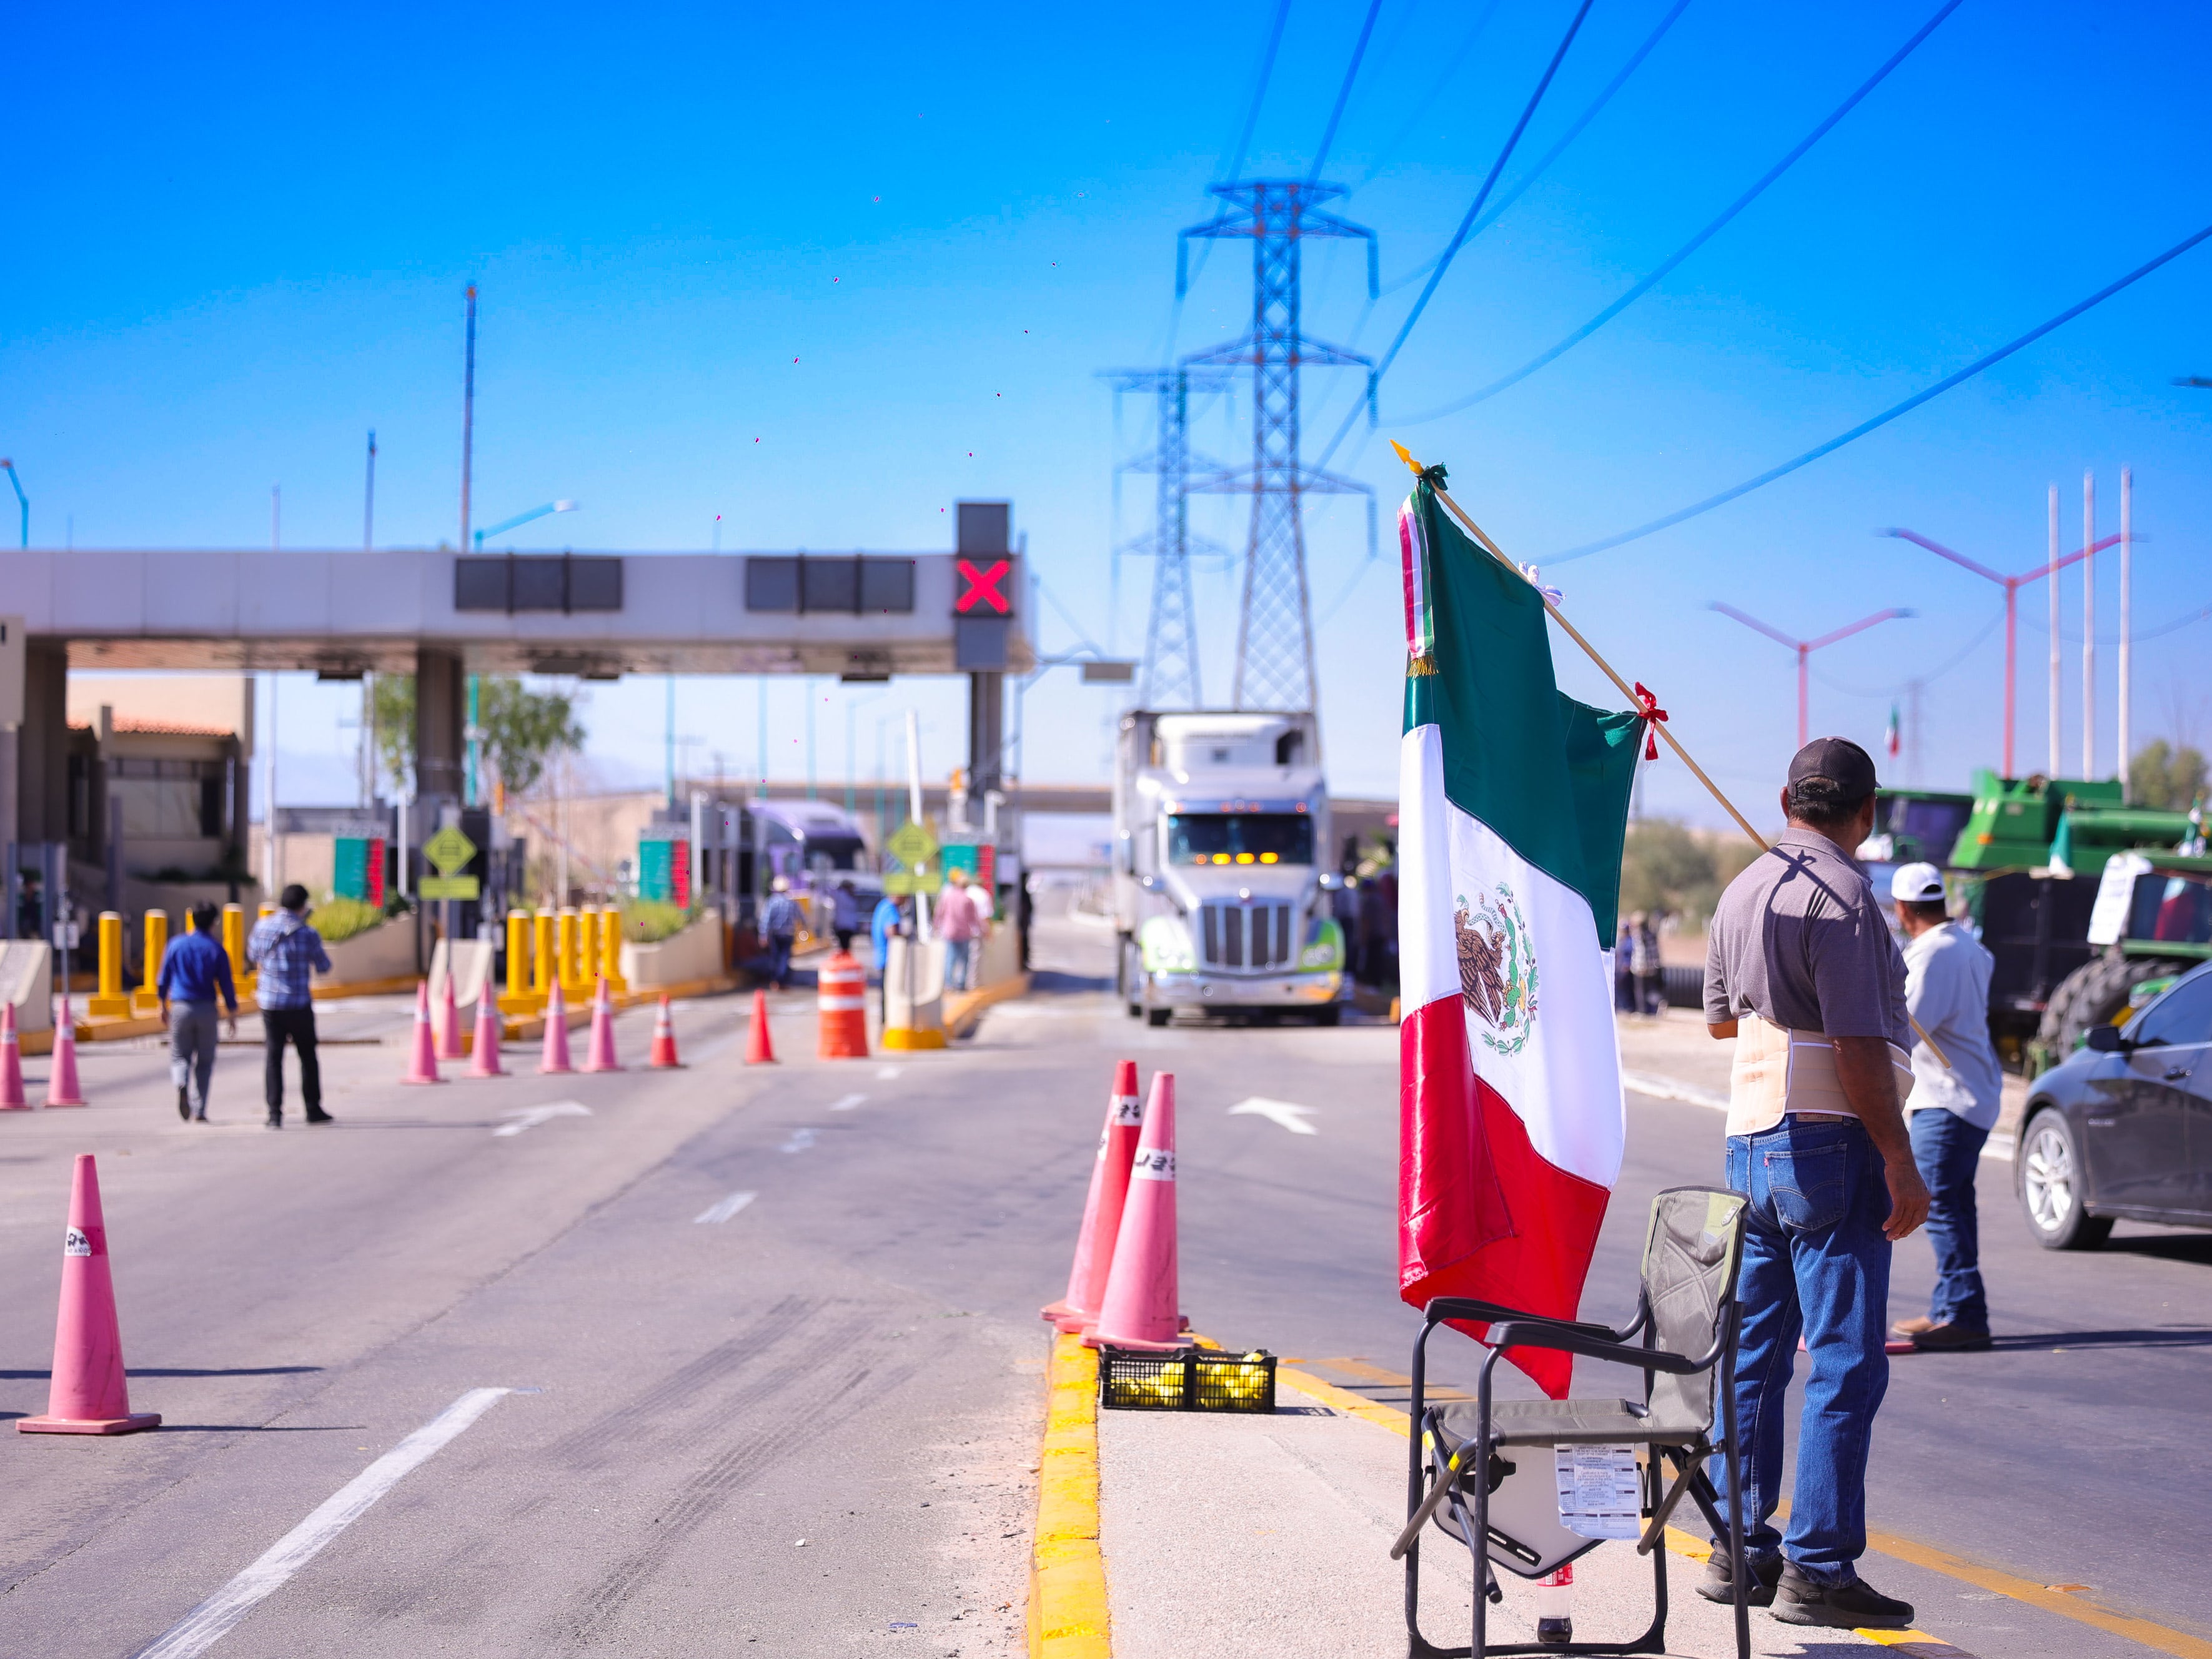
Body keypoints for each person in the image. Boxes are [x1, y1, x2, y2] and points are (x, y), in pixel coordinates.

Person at [1700, 736, 1929, 1629]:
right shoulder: (1846, 901)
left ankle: (1737, 1548)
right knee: (1843, 1360)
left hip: (1748, 1144)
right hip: (1828, 1141)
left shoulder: (1739, 889)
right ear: (1865, 813)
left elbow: (1721, 1022)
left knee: (1753, 1355)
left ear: (1786, 799)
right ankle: (1819, 1566)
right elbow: (1857, 1046)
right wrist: (1898, 1157)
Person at [1887, 861, 2001, 1352]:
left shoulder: (1933, 955)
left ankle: (1963, 1313)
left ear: (1902, 908)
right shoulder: (1969, 946)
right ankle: (1950, 1306)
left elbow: (1903, 1026)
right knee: (1953, 1205)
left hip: (1948, 1100)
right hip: (1972, 1092)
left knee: (1936, 1205)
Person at [246, 883, 335, 1128]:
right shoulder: (308, 933)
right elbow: (324, 967)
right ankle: (313, 1109)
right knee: (307, 1056)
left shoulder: (262, 927)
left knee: (274, 1057)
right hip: (298, 1004)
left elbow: (253, 956)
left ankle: (274, 1114)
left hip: (271, 1004)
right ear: (303, 905)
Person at [157, 901, 237, 1121]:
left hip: (181, 1006)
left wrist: (162, 1005)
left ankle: (181, 1081)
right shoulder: (216, 949)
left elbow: (163, 979)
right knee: (205, 1061)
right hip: (206, 1009)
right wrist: (232, 1014)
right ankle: (200, 1109)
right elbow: (226, 984)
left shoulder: (176, 945)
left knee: (179, 1055)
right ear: (215, 922)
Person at [936, 866, 983, 993]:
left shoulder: (948, 897)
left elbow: (939, 912)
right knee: (964, 960)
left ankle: (949, 984)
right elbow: (974, 918)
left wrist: (936, 926)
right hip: (964, 933)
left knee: (950, 958)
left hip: (950, 932)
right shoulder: (967, 900)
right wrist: (981, 931)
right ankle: (961, 984)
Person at [761, 876, 801, 990]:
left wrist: (763, 935)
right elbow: (801, 917)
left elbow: (766, 919)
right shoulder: (791, 902)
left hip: (776, 934)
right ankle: (782, 980)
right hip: (788, 933)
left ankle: (776, 980)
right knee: (785, 957)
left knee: (776, 957)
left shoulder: (772, 901)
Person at [1631, 911, 1662, 1014]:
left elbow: (1642, 952)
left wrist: (1643, 966)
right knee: (1650, 991)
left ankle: (1642, 1011)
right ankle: (1652, 1011)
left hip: (1641, 968)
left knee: (1641, 991)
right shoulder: (1652, 935)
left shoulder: (1640, 936)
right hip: (1652, 968)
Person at [830, 878, 863, 953]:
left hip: (848, 926)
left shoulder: (850, 896)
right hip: (843, 925)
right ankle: (844, 961)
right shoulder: (840, 895)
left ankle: (845, 960)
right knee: (844, 946)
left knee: (846, 946)